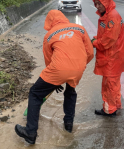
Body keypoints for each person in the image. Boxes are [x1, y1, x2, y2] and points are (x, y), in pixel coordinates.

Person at [15, 10, 94, 144]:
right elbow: (90, 52)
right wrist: (78, 66)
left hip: (58, 69)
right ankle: (68, 125)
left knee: (35, 93)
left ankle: (30, 132)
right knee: (70, 92)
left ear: (50, 22)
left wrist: (55, 81)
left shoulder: (49, 35)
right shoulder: (79, 29)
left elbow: (49, 61)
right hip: (79, 67)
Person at [91, 0, 124, 116]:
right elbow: (105, 35)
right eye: (96, 3)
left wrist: (94, 43)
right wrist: (96, 38)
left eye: (99, 3)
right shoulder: (107, 15)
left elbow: (108, 40)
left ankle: (109, 110)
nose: (97, 6)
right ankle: (115, 105)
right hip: (113, 56)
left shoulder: (112, 17)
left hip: (112, 57)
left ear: (106, 2)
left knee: (109, 85)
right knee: (114, 84)